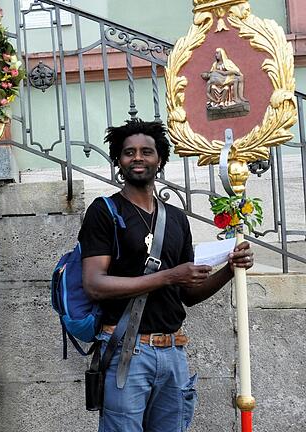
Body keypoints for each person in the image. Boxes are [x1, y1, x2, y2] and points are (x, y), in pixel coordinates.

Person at [79, 119, 254, 432]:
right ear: (118, 161)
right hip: (125, 352)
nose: (138, 158)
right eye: (128, 152)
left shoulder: (175, 218)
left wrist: (230, 269)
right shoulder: (104, 211)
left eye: (147, 152)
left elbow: (188, 294)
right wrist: (170, 275)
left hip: (173, 352)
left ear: (160, 159)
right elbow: (95, 284)